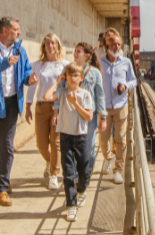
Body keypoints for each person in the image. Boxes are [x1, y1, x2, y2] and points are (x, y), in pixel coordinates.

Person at [0, 17, 36, 206]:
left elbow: (26, 71)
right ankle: (4, 175)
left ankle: (1, 188)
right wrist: (4, 62)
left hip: (11, 104)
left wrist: (29, 79)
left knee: (8, 146)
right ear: (4, 31)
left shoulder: (20, 49)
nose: (19, 33)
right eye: (16, 30)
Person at [42, 62, 94, 222]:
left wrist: (75, 103)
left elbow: (89, 117)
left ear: (81, 78)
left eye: (76, 75)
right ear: (66, 77)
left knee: (84, 171)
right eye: (69, 75)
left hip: (81, 137)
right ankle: (71, 206)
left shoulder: (85, 94)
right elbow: (46, 97)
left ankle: (82, 190)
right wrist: (57, 82)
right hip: (65, 136)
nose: (72, 78)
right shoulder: (62, 92)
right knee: (68, 173)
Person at [52, 43, 107, 184]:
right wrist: (56, 111)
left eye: (78, 52)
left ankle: (86, 173)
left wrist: (103, 117)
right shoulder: (67, 70)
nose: (75, 54)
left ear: (87, 56)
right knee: (72, 146)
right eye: (75, 51)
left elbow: (100, 95)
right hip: (70, 114)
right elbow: (60, 90)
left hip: (90, 115)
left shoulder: (94, 73)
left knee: (88, 148)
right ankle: (76, 177)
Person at [24, 33, 69, 190]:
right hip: (42, 107)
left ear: (58, 46)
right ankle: (50, 161)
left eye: (53, 43)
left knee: (55, 142)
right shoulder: (37, 65)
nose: (50, 46)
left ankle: (54, 175)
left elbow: (68, 86)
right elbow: (32, 86)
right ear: (44, 46)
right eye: (47, 43)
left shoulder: (64, 65)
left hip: (59, 106)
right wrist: (28, 106)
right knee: (41, 144)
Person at [98, 29, 137, 184]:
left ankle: (118, 170)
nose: (117, 47)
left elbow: (134, 81)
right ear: (107, 45)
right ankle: (108, 157)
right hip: (104, 107)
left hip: (121, 106)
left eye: (119, 44)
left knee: (120, 138)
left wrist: (125, 86)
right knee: (103, 138)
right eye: (113, 44)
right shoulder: (99, 62)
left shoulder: (126, 62)